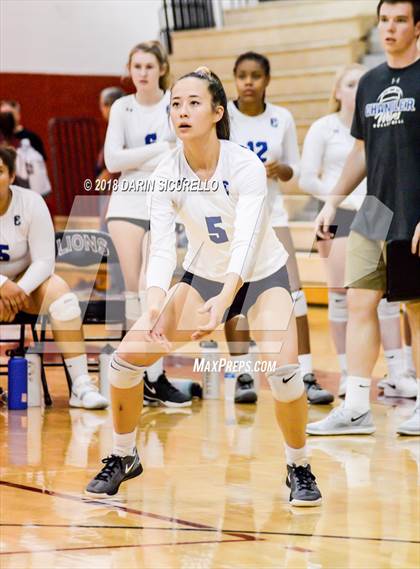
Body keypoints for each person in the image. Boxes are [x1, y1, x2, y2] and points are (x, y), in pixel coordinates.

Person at [85, 67, 322, 506]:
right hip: (203, 275)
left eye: (193, 103)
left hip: (261, 275)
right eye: (175, 104)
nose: (182, 111)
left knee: (285, 374)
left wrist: (226, 300)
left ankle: (299, 466)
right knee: (124, 361)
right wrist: (154, 303)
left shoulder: (244, 164)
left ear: (217, 112)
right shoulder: (165, 172)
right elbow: (160, 250)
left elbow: (248, 243)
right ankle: (123, 455)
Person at [307, 0, 420, 436]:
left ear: (417, 27)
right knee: (359, 302)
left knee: (415, 308)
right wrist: (333, 201)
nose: (389, 28)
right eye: (384, 20)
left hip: (414, 210)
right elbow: (360, 151)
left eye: (399, 20)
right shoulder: (371, 82)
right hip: (374, 210)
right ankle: (356, 406)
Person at [225, 51, 334, 405]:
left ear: (267, 80)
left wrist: (280, 169)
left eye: (256, 75)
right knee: (235, 296)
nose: (248, 82)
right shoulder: (222, 115)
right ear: (234, 79)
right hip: (234, 217)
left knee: (295, 294)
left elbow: (295, 171)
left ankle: (306, 373)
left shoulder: (281, 118)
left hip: (273, 215)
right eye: (242, 75)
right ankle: (244, 374)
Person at [104, 41, 189, 408]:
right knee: (132, 293)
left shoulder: (175, 100)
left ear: (161, 69)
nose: (142, 73)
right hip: (125, 200)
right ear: (130, 69)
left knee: (151, 285)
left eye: (149, 66)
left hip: (165, 199)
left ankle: (154, 373)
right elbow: (112, 159)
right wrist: (159, 151)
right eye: (136, 66)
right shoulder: (122, 107)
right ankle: (144, 374)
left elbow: (182, 150)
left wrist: (142, 158)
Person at [0, 147, 108, 410]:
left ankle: (81, 387)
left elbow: (45, 261)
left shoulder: (31, 203)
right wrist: (2, 285)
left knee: (63, 296)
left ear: (12, 176)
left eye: (0, 171)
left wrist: (16, 291)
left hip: (25, 286)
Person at [96, 86, 125, 231]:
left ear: (108, 106)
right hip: (115, 187)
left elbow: (122, 156)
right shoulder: (116, 126)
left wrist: (109, 173)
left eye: (102, 105)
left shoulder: (122, 127)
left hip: (119, 188)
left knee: (108, 231)